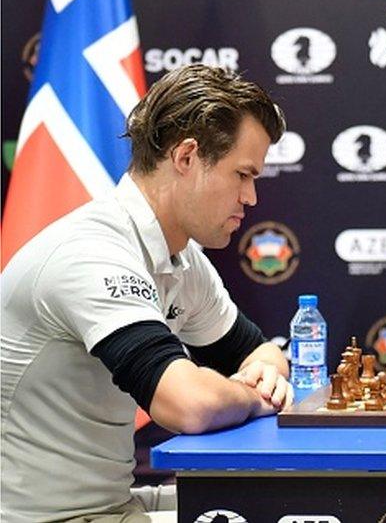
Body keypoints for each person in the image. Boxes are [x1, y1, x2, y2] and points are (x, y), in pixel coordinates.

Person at [1, 65, 290, 522]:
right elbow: (187, 405)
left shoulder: (180, 256)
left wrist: (262, 375)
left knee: (286, 508)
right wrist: (255, 397)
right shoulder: (92, 253)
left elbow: (258, 353)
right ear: (187, 156)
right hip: (44, 517)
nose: (251, 198)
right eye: (242, 175)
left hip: (113, 503)